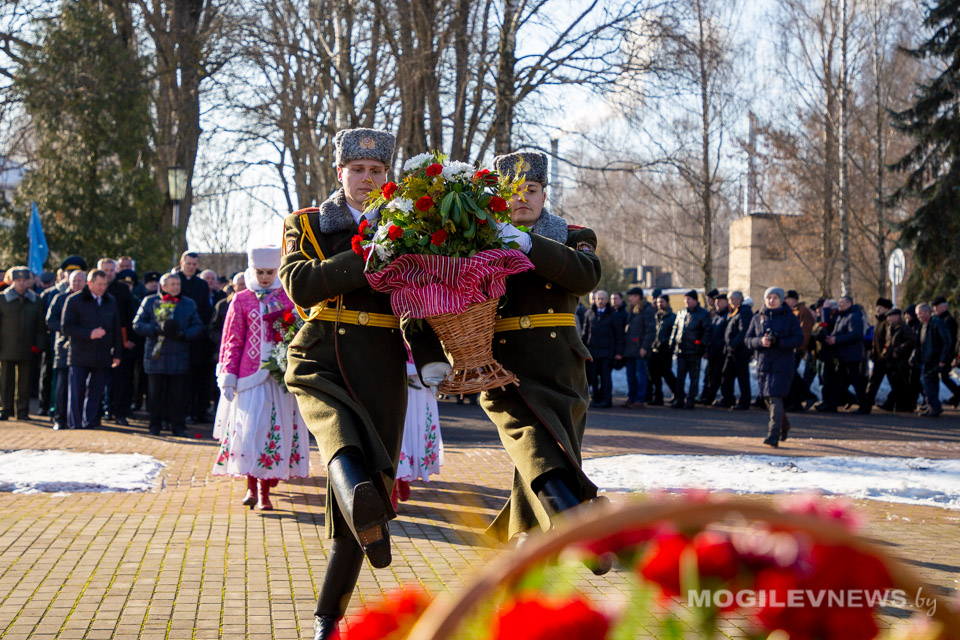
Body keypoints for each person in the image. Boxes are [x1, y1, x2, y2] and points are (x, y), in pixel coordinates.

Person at [279, 127, 446, 640]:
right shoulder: (307, 222)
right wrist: (366, 258)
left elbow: (416, 301)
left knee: (360, 501)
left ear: (387, 177)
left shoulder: (407, 229)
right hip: (320, 353)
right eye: (358, 170)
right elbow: (300, 284)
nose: (367, 179)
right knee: (338, 438)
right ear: (340, 173)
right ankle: (363, 507)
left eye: (377, 172)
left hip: (380, 365)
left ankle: (327, 619)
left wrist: (431, 357)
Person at [486, 149, 608, 571]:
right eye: (514, 191)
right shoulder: (479, 237)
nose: (523, 198)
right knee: (534, 444)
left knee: (550, 452)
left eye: (532, 190)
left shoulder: (572, 234)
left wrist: (528, 243)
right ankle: (582, 521)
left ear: (544, 193)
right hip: (504, 367)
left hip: (561, 367)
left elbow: (586, 276)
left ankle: (525, 536)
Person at [212, 245, 310, 508]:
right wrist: (228, 374)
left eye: (270, 271)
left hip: (279, 378)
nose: (265, 276)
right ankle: (251, 488)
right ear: (251, 270)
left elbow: (299, 333)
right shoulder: (241, 299)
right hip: (249, 377)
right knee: (250, 431)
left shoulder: (288, 297)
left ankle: (266, 492)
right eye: (260, 271)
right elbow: (233, 340)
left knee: (273, 433)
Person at [133, 273, 203, 436]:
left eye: (177, 284)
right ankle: (154, 425)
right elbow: (137, 324)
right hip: (156, 356)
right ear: (163, 286)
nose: (175, 287)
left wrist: (182, 333)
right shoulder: (150, 302)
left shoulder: (188, 303)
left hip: (178, 356)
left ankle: (177, 426)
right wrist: (155, 330)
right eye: (172, 284)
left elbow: (198, 326)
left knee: (177, 396)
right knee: (155, 395)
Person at [61, 269, 122, 429]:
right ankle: (75, 424)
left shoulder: (110, 301)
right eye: (99, 284)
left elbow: (116, 327)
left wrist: (117, 353)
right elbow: (66, 327)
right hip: (79, 353)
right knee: (77, 391)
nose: (103, 288)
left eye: (105, 284)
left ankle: (91, 422)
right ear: (90, 283)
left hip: (102, 354)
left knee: (96, 391)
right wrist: (89, 334)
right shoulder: (75, 300)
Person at [745, 287, 804, 447]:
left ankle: (773, 435)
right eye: (768, 297)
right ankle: (784, 425)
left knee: (775, 396)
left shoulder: (790, 317)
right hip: (764, 363)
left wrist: (779, 342)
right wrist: (760, 342)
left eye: (775, 298)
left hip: (783, 363)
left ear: (781, 300)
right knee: (767, 398)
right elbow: (748, 340)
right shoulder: (758, 317)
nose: (771, 300)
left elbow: (799, 340)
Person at [392, 348, 443, 508]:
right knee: (393, 427)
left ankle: (402, 477)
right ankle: (394, 483)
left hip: (421, 369)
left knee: (414, 425)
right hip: (390, 365)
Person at [0, 267, 47, 420]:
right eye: (18, 280)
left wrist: (38, 346)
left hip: (28, 347)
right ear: (11, 281)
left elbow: (41, 326)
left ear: (29, 281)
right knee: (6, 381)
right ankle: (5, 409)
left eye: (24, 280)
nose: (21, 284)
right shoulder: (2, 299)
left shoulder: (35, 300)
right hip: (6, 347)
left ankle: (23, 411)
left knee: (25, 382)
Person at [98, 258, 138, 426]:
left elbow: (131, 316)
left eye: (111, 271)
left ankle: (119, 412)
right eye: (104, 271)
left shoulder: (122, 290)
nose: (108, 274)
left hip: (119, 341)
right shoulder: (93, 289)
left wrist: (130, 339)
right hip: (98, 342)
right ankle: (102, 410)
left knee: (120, 379)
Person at [176, 251, 214, 423]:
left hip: (196, 338)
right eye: (188, 263)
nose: (191, 267)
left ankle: (194, 411)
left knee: (194, 378)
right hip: (177, 336)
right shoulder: (175, 280)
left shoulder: (202, 285)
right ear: (182, 262)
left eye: (194, 264)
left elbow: (206, 309)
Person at [45, 271, 87, 430]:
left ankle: (78, 419)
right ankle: (60, 418)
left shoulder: (89, 300)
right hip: (64, 348)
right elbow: (50, 321)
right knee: (61, 386)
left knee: (81, 386)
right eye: (74, 281)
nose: (77, 284)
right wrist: (68, 330)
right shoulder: (60, 298)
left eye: (80, 281)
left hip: (84, 350)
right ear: (68, 282)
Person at [817, 296, 869, 414]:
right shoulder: (842, 316)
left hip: (851, 356)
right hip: (842, 356)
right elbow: (828, 324)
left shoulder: (854, 316)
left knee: (856, 381)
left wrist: (836, 340)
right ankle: (832, 404)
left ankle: (864, 405)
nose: (839, 305)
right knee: (838, 381)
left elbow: (855, 334)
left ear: (849, 303)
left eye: (842, 303)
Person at [581, 289, 624, 408]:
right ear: (594, 300)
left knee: (606, 377)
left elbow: (619, 335)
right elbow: (585, 333)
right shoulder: (589, 313)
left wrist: (619, 352)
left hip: (607, 352)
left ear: (607, 300)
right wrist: (582, 349)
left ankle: (606, 399)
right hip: (593, 351)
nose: (600, 301)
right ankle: (596, 398)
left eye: (603, 298)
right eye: (598, 298)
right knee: (593, 377)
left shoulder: (614, 315)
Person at [669, 290, 711, 409]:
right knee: (680, 376)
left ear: (695, 300)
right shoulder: (681, 313)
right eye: (685, 299)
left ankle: (691, 399)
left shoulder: (703, 314)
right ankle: (679, 398)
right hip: (681, 350)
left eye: (689, 299)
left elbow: (707, 331)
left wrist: (701, 345)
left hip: (694, 351)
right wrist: (672, 342)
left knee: (694, 377)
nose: (687, 302)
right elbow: (675, 328)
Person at [916, 303, 952, 417]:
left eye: (920, 313)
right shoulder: (922, 325)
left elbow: (947, 341)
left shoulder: (937, 323)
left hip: (934, 359)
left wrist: (943, 359)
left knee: (927, 382)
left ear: (927, 312)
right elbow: (920, 344)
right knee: (930, 383)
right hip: (925, 359)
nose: (918, 316)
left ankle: (934, 406)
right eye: (917, 314)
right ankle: (932, 406)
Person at [622, 286, 655, 408]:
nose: (630, 298)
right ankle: (632, 397)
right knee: (630, 375)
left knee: (640, 375)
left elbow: (650, 330)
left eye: (632, 296)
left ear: (638, 297)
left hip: (639, 348)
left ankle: (640, 399)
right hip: (630, 349)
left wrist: (645, 347)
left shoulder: (647, 310)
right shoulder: (631, 310)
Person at [878, 309, 917, 412]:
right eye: (888, 317)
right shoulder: (890, 328)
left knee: (901, 384)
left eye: (891, 316)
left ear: (898, 317)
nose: (888, 319)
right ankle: (892, 404)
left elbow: (911, 341)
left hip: (901, 361)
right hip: (890, 360)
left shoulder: (905, 328)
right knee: (895, 384)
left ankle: (902, 406)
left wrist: (899, 350)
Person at [783, 290, 816, 411]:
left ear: (793, 300)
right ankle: (801, 399)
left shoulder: (803, 311)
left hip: (796, 348)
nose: (785, 301)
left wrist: (799, 348)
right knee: (791, 375)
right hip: (791, 348)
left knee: (792, 375)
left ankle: (805, 397)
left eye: (787, 299)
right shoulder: (793, 311)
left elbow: (805, 332)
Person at [719, 291, 753, 410]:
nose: (730, 302)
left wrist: (734, 344)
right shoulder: (734, 312)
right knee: (726, 375)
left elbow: (743, 331)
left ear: (740, 299)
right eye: (729, 299)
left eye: (732, 299)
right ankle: (727, 399)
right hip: (731, 351)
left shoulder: (745, 312)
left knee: (742, 377)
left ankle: (744, 401)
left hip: (740, 351)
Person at [700, 293, 729, 405]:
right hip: (713, 351)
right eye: (716, 302)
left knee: (716, 376)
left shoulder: (727, 316)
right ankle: (707, 396)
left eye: (720, 302)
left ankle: (710, 397)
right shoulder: (717, 316)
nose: (717, 304)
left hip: (721, 352)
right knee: (710, 375)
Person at [648, 295, 677, 405]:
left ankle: (678, 393)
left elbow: (672, 334)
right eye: (658, 302)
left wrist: (666, 344)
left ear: (667, 303)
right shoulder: (656, 316)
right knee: (655, 375)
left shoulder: (672, 317)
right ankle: (658, 398)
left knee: (667, 373)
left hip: (665, 351)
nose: (660, 304)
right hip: (655, 350)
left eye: (662, 302)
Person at [865, 297, 894, 408]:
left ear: (886, 308)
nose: (877, 309)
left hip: (884, 358)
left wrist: (884, 353)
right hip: (879, 357)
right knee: (875, 382)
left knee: (877, 382)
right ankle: (868, 403)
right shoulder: (879, 321)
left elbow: (888, 339)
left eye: (880, 307)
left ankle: (867, 404)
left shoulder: (887, 322)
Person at [932, 296, 959, 407]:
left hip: (946, 354)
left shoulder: (948, 321)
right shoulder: (940, 320)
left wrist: (947, 355)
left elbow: (949, 340)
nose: (935, 309)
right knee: (944, 377)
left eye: (937, 306)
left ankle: (957, 396)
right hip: (942, 354)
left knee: (944, 377)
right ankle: (956, 397)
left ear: (943, 307)